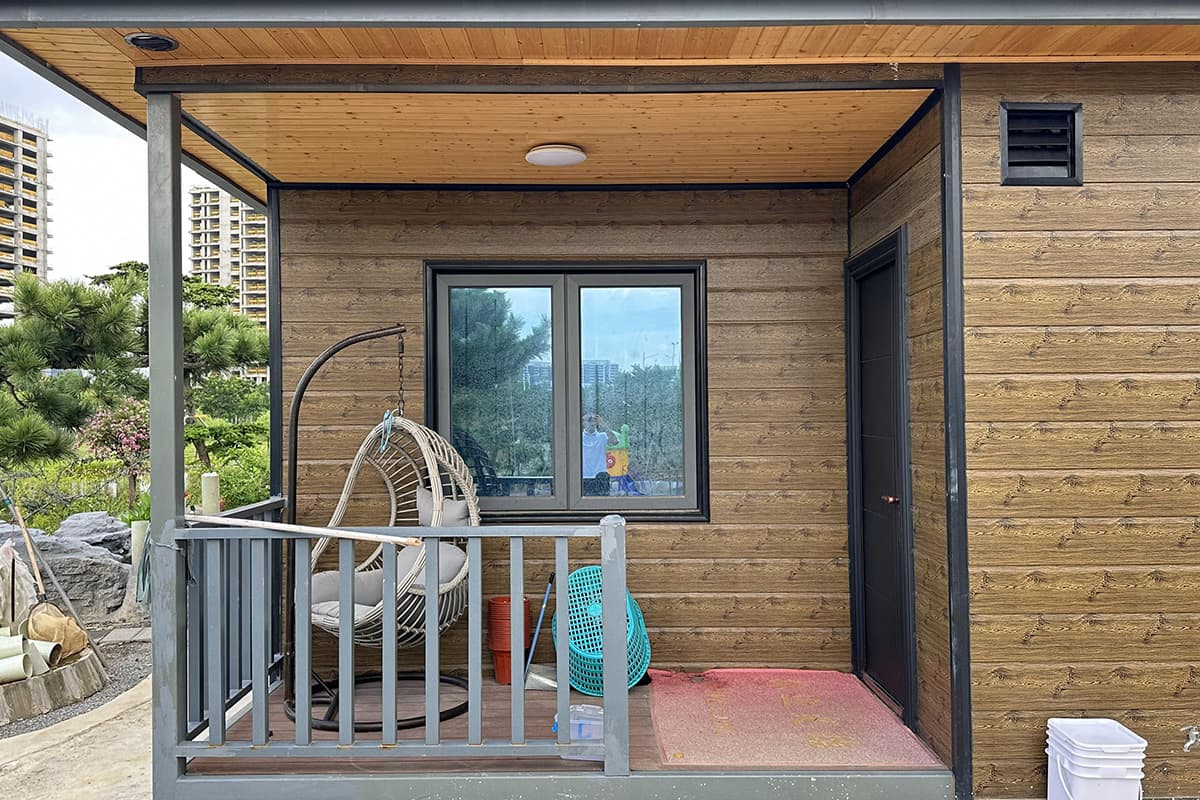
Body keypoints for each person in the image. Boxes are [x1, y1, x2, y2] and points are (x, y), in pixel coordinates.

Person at [581, 413, 617, 495]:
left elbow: (615, 441)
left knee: (602, 503)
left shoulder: (602, 436)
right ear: (583, 422)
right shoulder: (578, 437)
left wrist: (603, 425)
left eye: (594, 420)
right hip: (584, 476)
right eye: (589, 420)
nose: (592, 423)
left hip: (600, 476)